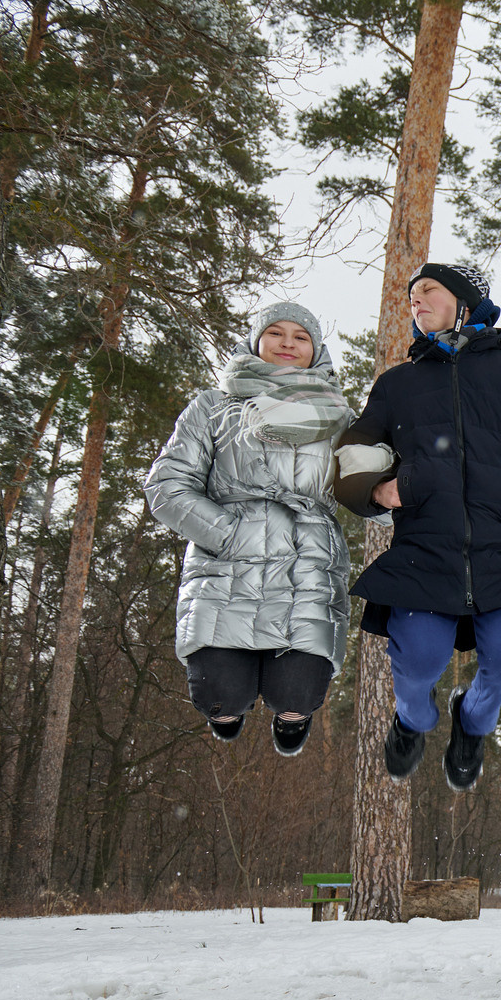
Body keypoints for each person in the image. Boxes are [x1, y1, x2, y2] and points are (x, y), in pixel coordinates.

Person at [333, 262, 501, 791]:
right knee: (417, 659)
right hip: (421, 552)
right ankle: (412, 719)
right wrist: (373, 489)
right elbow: (352, 451)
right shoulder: (398, 385)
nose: (416, 301)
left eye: (428, 290)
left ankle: (474, 721)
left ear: (465, 301)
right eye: (410, 296)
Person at [145, 302, 355, 756]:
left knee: (297, 695)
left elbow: (368, 492)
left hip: (306, 565)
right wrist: (227, 533)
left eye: (300, 337)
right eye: (276, 333)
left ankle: (292, 717)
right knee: (220, 696)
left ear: (315, 350)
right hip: (226, 562)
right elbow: (167, 484)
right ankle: (226, 712)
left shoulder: (341, 416)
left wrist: (390, 492)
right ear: (255, 341)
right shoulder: (214, 405)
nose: (287, 344)